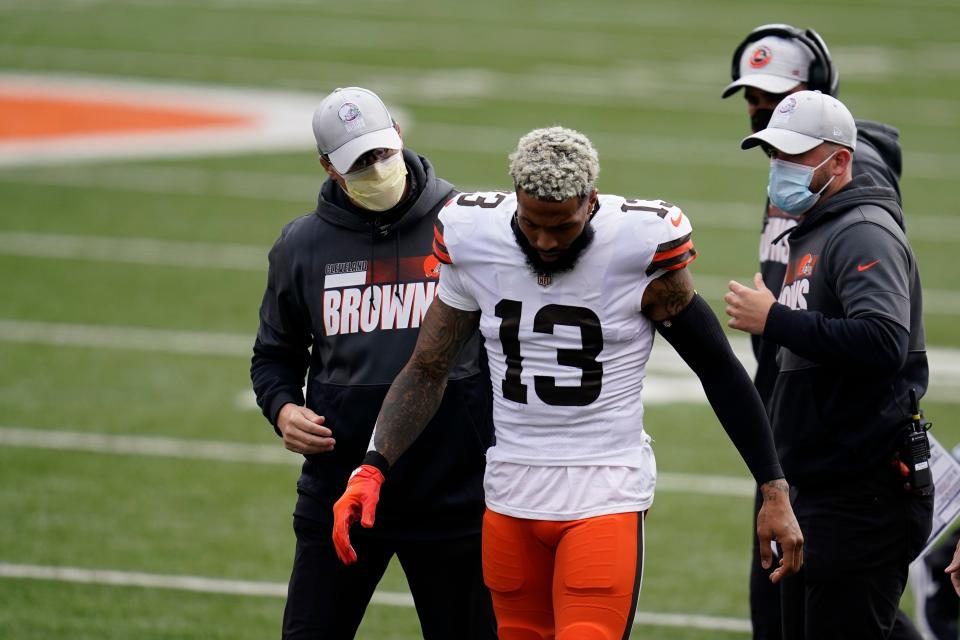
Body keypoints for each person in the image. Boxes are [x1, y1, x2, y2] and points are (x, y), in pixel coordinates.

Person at [331, 126, 803, 640]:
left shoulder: (640, 247)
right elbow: (428, 367)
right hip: (509, 492)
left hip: (603, 492)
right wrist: (372, 468)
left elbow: (717, 368)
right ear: (515, 201)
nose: (547, 242)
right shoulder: (471, 235)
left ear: (591, 203)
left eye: (564, 226)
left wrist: (773, 486)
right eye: (533, 225)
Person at [250, 86, 497, 640]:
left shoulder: (469, 226)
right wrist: (283, 408)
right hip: (340, 494)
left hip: (454, 495)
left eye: (381, 152)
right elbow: (274, 356)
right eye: (359, 162)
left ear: (400, 138)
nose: (377, 168)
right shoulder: (301, 246)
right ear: (328, 168)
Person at [721, 24, 909, 640]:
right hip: (799, 438)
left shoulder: (855, 209)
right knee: (804, 614)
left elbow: (883, 336)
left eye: (777, 95)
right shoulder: (804, 190)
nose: (762, 107)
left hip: (847, 462)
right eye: (752, 97)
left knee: (818, 613)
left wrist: (775, 319)